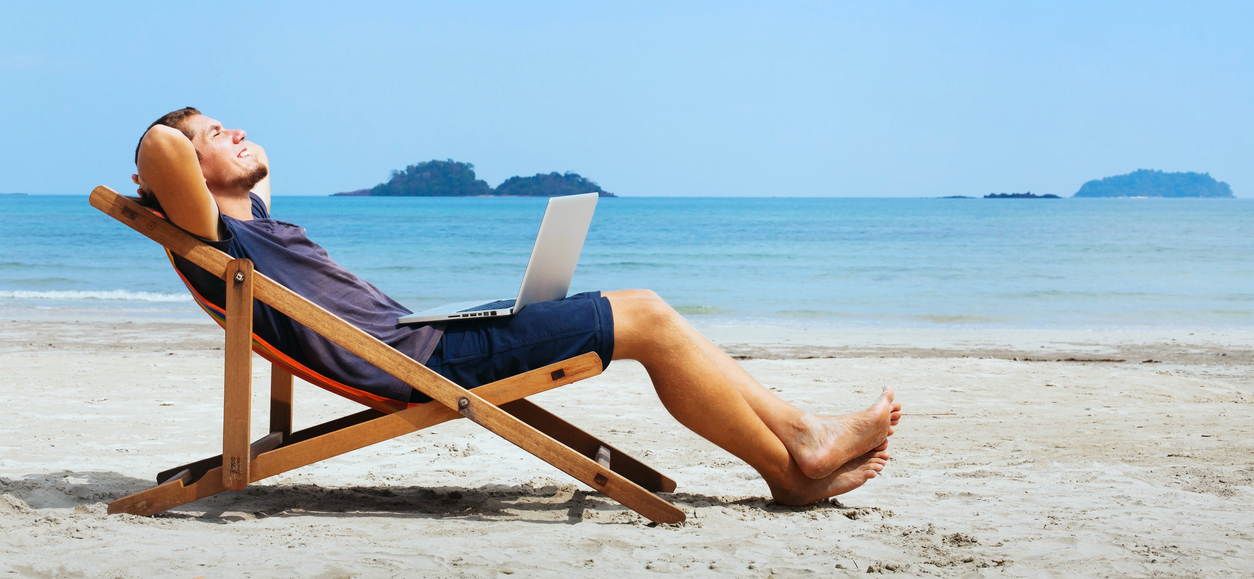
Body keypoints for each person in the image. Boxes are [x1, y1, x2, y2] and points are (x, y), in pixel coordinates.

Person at [133, 107, 901, 506]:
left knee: (638, 308)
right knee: (648, 316)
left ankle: (797, 452)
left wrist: (217, 140)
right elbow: (166, 155)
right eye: (212, 134)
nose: (234, 134)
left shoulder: (253, 216)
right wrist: (170, 145)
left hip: (424, 339)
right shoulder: (213, 231)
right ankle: (797, 451)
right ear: (181, 175)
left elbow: (258, 164)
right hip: (422, 361)